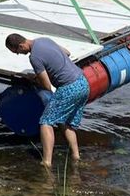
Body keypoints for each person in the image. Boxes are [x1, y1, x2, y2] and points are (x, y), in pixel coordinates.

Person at [5, 33, 90, 169]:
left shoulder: (34, 57)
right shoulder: (44, 40)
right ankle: (76, 156)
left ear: (21, 45)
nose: (18, 54)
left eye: (17, 51)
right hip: (83, 83)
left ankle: (47, 161)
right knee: (65, 121)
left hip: (69, 88)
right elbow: (67, 53)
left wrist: (33, 79)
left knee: (46, 121)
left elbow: (46, 86)